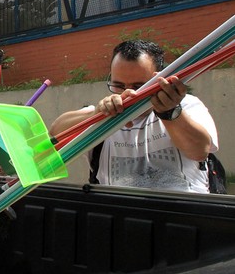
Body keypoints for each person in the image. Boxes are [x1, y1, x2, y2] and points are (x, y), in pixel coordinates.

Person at [49, 39, 218, 193]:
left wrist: (170, 113)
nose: (128, 93)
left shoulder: (185, 106)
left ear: (159, 79)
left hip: (182, 217)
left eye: (139, 86)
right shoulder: (104, 114)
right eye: (118, 85)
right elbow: (55, 134)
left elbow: (199, 151)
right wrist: (96, 115)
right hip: (117, 216)